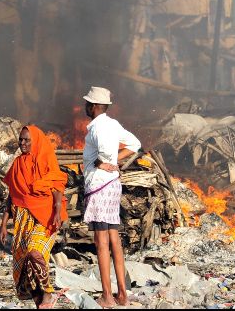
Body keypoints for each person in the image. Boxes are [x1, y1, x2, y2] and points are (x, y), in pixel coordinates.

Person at [81, 86, 141, 308]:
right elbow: (135, 145)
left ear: (95, 106)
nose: (85, 107)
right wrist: (116, 162)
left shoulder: (97, 128)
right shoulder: (114, 124)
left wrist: (102, 162)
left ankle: (107, 296)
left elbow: (103, 152)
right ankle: (122, 294)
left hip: (100, 186)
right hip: (112, 185)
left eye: (88, 103)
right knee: (114, 239)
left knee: (101, 242)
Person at [0, 125, 68, 309]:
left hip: (45, 218)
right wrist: (4, 224)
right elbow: (11, 196)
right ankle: (42, 302)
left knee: (35, 253)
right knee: (24, 264)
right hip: (22, 220)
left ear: (35, 140)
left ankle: (49, 293)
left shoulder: (45, 159)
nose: (22, 143)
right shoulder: (17, 164)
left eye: (26, 140)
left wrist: (57, 210)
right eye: (20, 139)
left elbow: (57, 186)